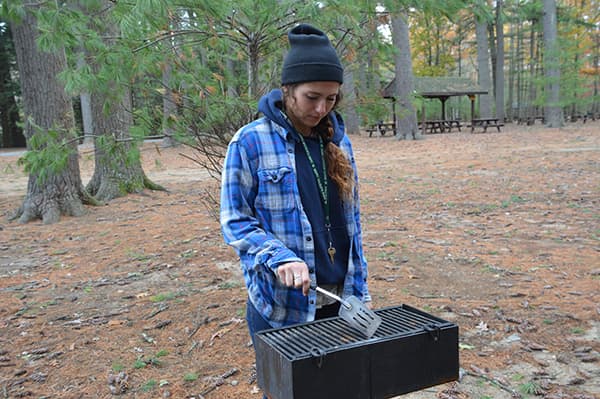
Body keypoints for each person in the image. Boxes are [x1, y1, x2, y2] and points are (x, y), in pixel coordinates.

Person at [219, 23, 372, 386]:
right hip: (282, 308)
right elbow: (234, 221)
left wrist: (360, 292)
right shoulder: (250, 142)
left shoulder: (339, 142)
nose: (322, 108)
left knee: (341, 390)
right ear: (287, 90)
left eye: (331, 99)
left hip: (340, 303)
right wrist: (279, 256)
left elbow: (353, 224)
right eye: (312, 96)